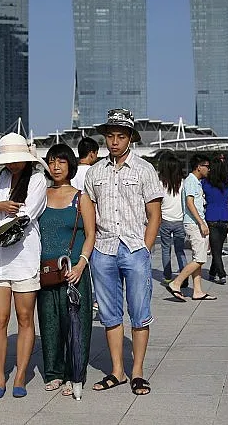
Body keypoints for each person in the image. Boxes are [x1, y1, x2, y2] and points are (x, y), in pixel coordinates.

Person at [84, 108, 162, 396]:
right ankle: (117, 370)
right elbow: (89, 213)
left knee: (140, 313)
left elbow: (155, 213)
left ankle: (137, 371)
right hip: (103, 250)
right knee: (109, 314)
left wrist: (146, 247)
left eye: (120, 136)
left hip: (134, 248)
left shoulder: (144, 170)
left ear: (130, 138)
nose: (114, 141)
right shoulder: (94, 173)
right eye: (110, 136)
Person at [0, 133, 49, 400]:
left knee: (26, 318)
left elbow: (24, 217)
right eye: (8, 160)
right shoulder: (3, 177)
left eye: (16, 160)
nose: (12, 165)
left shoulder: (38, 179)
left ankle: (20, 376)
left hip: (24, 256)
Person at [37, 144, 96, 399]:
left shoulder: (80, 197)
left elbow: (91, 234)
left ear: (70, 164)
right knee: (49, 323)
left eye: (61, 161)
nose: (56, 166)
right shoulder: (40, 195)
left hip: (73, 271)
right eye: (51, 162)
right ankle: (53, 372)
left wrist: (81, 264)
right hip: (45, 270)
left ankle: (75, 375)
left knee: (76, 325)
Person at [165, 154, 217, 302]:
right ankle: (176, 283)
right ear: (199, 167)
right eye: (206, 166)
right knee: (200, 259)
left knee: (198, 257)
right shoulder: (191, 182)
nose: (209, 169)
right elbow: (190, 203)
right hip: (195, 223)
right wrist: (201, 223)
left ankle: (198, 291)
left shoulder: (195, 181)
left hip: (195, 222)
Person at [157, 152, 187, 285]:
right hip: (180, 221)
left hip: (165, 221)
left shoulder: (160, 183)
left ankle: (168, 276)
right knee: (180, 250)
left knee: (165, 249)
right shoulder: (183, 183)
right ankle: (184, 276)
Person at [201, 155, 228, 284]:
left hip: (211, 217)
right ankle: (213, 272)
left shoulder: (205, 183)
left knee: (215, 250)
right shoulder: (227, 184)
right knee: (218, 248)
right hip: (225, 217)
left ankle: (221, 273)